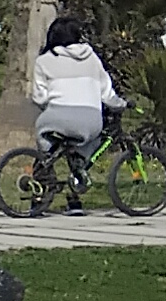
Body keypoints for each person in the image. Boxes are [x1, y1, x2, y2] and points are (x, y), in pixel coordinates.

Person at [32, 15, 126, 211]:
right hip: (90, 119)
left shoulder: (44, 61)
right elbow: (107, 93)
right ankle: (74, 196)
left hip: (56, 117)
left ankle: (39, 195)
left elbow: (39, 98)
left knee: (46, 151)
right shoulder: (92, 58)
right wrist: (121, 104)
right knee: (82, 147)